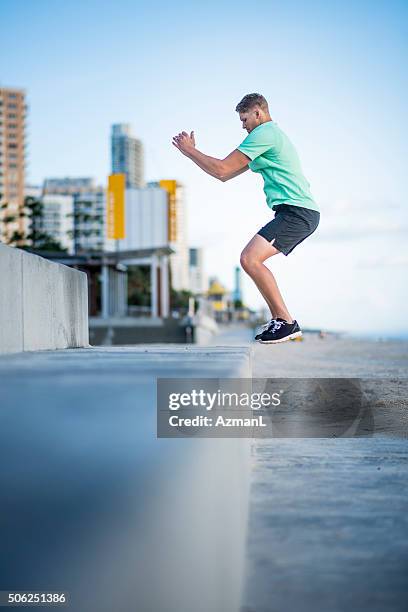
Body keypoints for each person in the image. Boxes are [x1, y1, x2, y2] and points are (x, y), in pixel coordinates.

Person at [172, 93, 320, 344]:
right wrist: (192, 153)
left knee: (250, 258)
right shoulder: (269, 139)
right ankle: (281, 321)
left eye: (244, 119)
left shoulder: (265, 134)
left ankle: (285, 322)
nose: (243, 126)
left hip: (297, 211)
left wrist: (188, 151)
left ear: (258, 113)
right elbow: (223, 175)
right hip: (295, 212)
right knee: (250, 259)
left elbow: (221, 168)